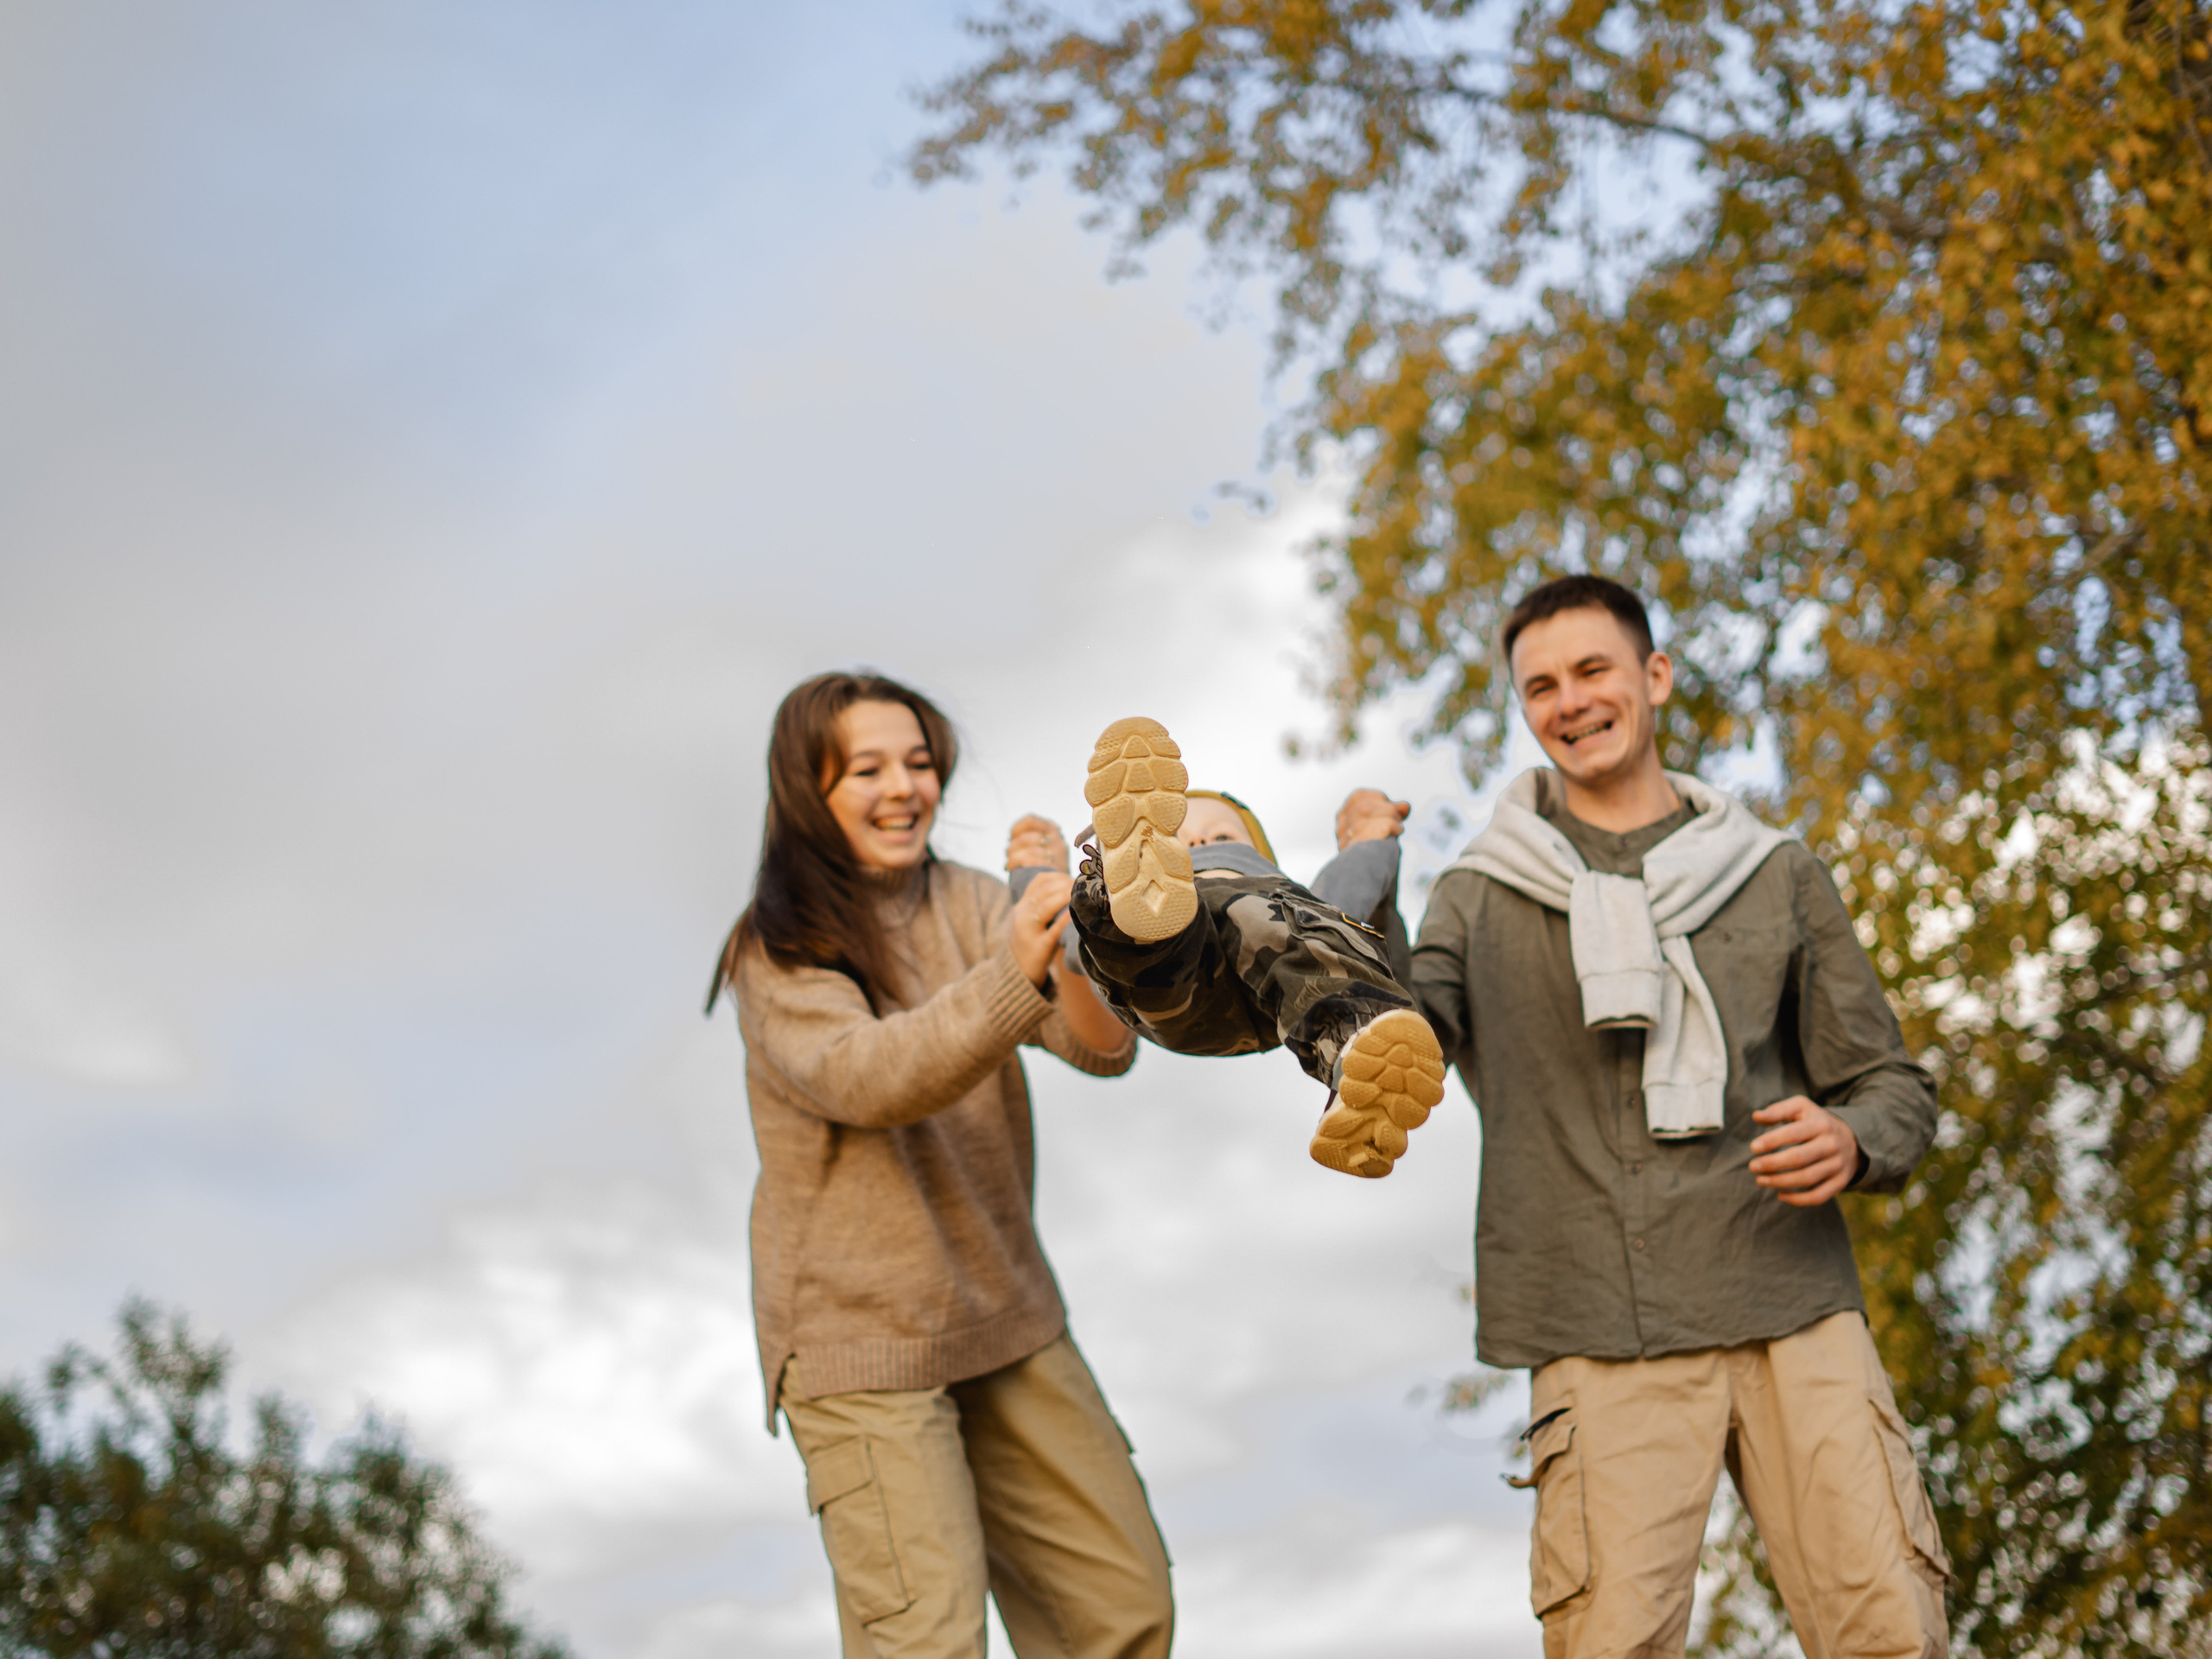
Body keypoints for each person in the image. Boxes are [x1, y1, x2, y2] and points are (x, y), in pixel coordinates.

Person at [1405, 576, 1950, 1656]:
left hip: (1788, 1301)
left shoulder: (1774, 873)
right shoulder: (1475, 896)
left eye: (1593, 670)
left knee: (1891, 1630)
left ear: (1652, 677)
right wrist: (1356, 896)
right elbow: (1397, 1038)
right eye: (1540, 686)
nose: (1570, 701)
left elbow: (1892, 1087)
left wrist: (1851, 1139)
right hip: (1596, 1332)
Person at [708, 671, 1173, 1659]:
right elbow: (870, 1077)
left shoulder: (969, 901)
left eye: (918, 763)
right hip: (859, 1342)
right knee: (925, 1642)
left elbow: (1101, 1049)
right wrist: (1012, 971)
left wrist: (1077, 947)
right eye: (866, 769)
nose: (902, 788)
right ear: (807, 789)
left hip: (1003, 1312)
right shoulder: (777, 953)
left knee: (1121, 1612)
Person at [1020, 716, 1447, 1179]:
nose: (1200, 841)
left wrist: (1373, 843)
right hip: (1177, 979)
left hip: (1279, 978)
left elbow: (1354, 884)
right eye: (1180, 836)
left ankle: (1358, 1064)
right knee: (1112, 932)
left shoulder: (1291, 900)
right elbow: (1058, 926)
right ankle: (1126, 887)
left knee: (1303, 926)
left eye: (1222, 837)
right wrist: (1034, 876)